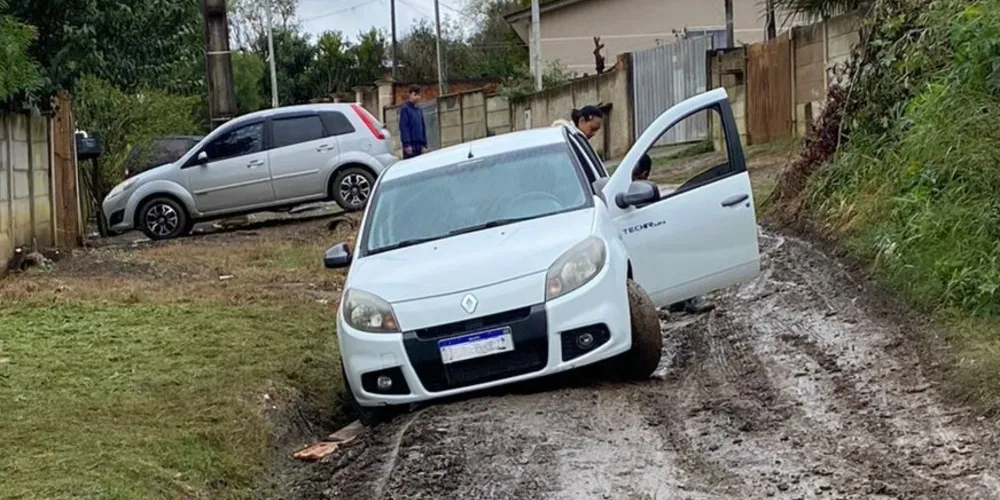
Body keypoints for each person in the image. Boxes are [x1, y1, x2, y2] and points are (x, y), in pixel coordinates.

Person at [631, 153, 715, 315]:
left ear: (644, 174)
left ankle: (684, 298)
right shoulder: (632, 189)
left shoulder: (645, 189)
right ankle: (683, 299)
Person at [399, 85, 428, 159]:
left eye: (419, 95)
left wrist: (424, 144)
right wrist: (407, 144)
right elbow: (404, 127)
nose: (417, 97)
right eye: (415, 94)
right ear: (410, 95)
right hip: (411, 146)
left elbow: (423, 127)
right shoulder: (405, 109)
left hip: (420, 145)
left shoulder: (419, 110)